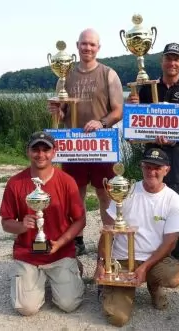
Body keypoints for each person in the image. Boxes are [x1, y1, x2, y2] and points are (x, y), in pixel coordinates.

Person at [48, 28, 124, 255]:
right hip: (73, 146)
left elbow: (118, 111)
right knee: (75, 193)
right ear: (77, 46)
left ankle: (109, 237)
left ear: (98, 48)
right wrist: (54, 112)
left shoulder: (108, 73)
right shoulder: (64, 76)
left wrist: (101, 122)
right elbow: (60, 115)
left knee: (105, 193)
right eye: (84, 44)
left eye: (92, 44)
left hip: (101, 144)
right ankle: (77, 239)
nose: (87, 48)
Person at [127, 42, 179, 266]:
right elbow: (134, 125)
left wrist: (176, 137)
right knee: (150, 205)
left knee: (178, 206)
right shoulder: (146, 87)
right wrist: (132, 105)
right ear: (162, 61)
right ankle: (149, 252)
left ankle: (178, 256)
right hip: (152, 156)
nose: (172, 62)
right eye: (168, 58)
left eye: (176, 59)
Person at [94, 147, 179, 327]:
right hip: (122, 261)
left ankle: (153, 284)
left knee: (174, 277)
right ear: (141, 167)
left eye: (157, 167)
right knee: (118, 319)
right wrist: (101, 263)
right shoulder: (125, 191)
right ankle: (109, 287)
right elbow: (108, 231)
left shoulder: (173, 199)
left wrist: (145, 268)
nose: (152, 171)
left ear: (167, 169)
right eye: (148, 166)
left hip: (153, 260)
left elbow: (170, 242)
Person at [0, 131, 86, 316]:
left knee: (68, 304)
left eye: (46, 149)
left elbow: (80, 220)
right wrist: (21, 226)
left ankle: (72, 266)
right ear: (27, 152)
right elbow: (5, 223)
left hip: (59, 252)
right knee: (26, 309)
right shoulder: (15, 183)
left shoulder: (67, 181)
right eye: (35, 149)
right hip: (28, 253)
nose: (41, 154)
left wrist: (61, 243)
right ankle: (29, 276)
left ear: (54, 151)